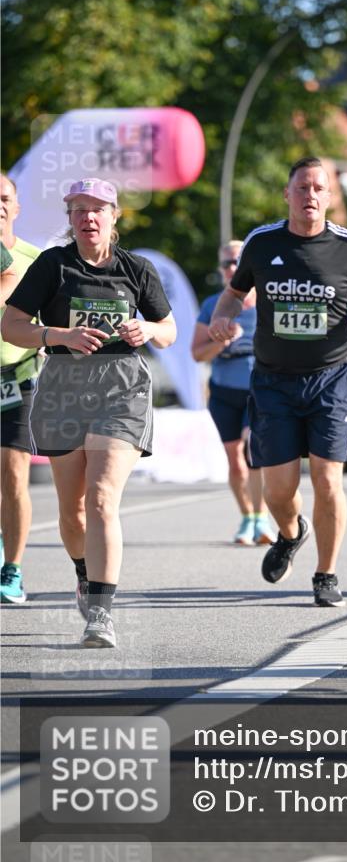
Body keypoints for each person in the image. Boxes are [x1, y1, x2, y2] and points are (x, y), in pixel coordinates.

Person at [208, 156, 347, 608]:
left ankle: (326, 574)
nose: (310, 195)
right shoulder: (262, 242)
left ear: (329, 197)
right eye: (302, 188)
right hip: (273, 383)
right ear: (288, 195)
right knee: (277, 490)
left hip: (331, 380)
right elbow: (233, 296)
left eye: (318, 188)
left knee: (328, 481)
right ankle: (290, 534)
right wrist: (220, 320)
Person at [2, 178, 176, 645]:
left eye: (97, 209)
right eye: (78, 210)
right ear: (70, 218)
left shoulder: (136, 269)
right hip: (63, 388)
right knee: (73, 511)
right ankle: (83, 571)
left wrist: (146, 329)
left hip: (121, 388)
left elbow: (169, 329)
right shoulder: (52, 266)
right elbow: (11, 324)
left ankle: (100, 612)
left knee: (101, 498)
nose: (88, 218)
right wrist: (58, 336)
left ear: (114, 215)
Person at [191, 240, 273, 545]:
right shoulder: (213, 305)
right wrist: (221, 342)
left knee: (254, 453)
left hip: (259, 389)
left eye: (238, 261)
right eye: (226, 264)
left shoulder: (267, 300)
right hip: (224, 389)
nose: (233, 268)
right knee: (234, 460)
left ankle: (262, 518)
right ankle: (247, 518)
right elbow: (197, 354)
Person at [1, 174, 41, 605]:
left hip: (17, 377)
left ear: (16, 206)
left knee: (13, 473)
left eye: (3, 198)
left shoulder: (35, 259)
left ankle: (12, 570)